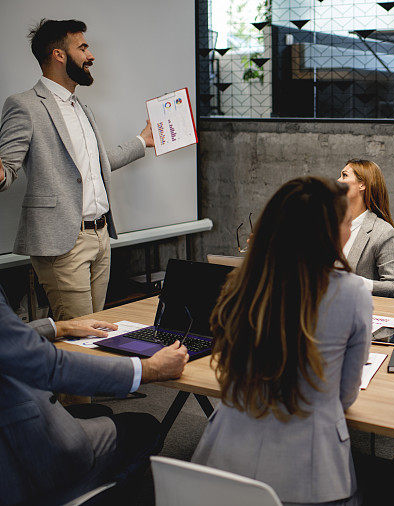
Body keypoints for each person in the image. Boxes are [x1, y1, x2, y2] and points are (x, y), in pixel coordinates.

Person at [192, 177, 372, 506]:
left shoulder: (242, 284)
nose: (349, 232)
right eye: (346, 224)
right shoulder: (353, 292)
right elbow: (344, 398)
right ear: (325, 234)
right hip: (311, 479)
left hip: (222, 464)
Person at [0, 19, 154, 321]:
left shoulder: (81, 108)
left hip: (100, 237)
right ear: (59, 55)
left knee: (94, 333)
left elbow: (96, 164)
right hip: (63, 244)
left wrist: (142, 141)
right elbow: (7, 169)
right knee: (79, 337)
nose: (91, 55)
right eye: (82, 47)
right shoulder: (24, 105)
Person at [0, 286, 189, 505]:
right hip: (20, 457)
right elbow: (50, 366)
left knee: (98, 411)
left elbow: (8, 339)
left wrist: (59, 327)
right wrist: (148, 369)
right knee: (144, 428)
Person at [337, 159, 394, 298]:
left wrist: (358, 283)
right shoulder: (329, 223)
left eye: (344, 175)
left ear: (362, 184)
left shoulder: (383, 232)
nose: (338, 180)